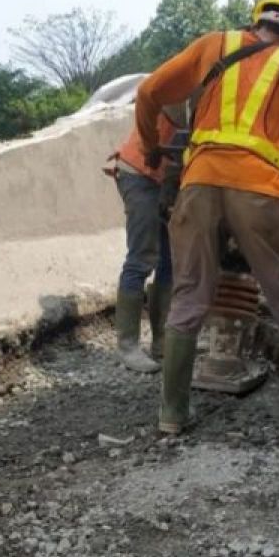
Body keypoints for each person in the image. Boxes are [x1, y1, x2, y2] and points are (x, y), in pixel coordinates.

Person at [133, 0, 279, 441]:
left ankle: (172, 415)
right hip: (260, 189)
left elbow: (149, 92)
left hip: (199, 181)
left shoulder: (214, 45)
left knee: (189, 294)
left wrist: (152, 149)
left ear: (257, 22)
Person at [105, 105, 186, 373]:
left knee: (170, 259)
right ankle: (127, 346)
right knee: (142, 257)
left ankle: (161, 341)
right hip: (139, 174)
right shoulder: (188, 87)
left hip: (166, 180)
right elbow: (181, 129)